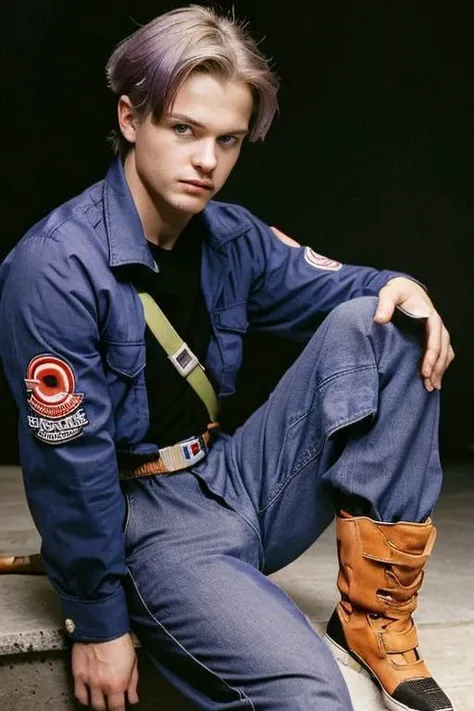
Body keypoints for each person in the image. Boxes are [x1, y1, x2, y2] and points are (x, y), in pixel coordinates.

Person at [0, 5, 455, 711]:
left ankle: (375, 620)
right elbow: (68, 462)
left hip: (232, 479)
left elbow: (343, 289)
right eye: (184, 130)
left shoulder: (228, 235)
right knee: (312, 699)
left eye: (229, 140)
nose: (208, 161)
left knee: (391, 323)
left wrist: (402, 285)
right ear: (130, 118)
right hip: (147, 524)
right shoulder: (55, 268)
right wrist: (98, 619)